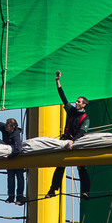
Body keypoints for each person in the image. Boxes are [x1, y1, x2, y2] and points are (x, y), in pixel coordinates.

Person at [46, 70, 92, 199]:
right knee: (60, 166)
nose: (76, 102)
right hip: (66, 140)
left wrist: (73, 141)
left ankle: (85, 191)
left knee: (82, 168)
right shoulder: (71, 110)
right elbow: (63, 97)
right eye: (76, 101)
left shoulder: (85, 118)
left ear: (83, 105)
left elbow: (82, 132)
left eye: (78, 102)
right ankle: (52, 190)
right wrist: (57, 81)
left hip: (77, 142)